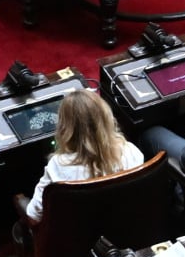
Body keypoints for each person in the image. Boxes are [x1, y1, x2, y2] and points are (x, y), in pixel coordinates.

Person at [25, 89, 145, 222]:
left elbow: (33, 214)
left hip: (80, 238)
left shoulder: (58, 165)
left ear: (65, 127)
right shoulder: (130, 151)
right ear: (106, 118)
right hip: (126, 227)